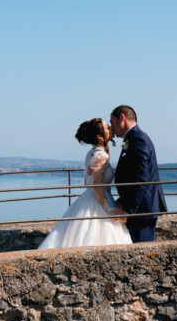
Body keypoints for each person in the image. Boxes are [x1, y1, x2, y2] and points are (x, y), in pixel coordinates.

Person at [37, 118, 131, 250]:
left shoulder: (92, 153)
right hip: (99, 202)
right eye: (107, 127)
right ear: (100, 136)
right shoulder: (101, 156)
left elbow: (87, 182)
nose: (111, 128)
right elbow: (97, 187)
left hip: (90, 199)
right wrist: (111, 209)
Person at [110, 105, 167, 243]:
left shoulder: (139, 139)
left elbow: (142, 178)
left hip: (142, 209)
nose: (111, 127)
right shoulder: (130, 138)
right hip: (137, 208)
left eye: (112, 122)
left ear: (122, 118)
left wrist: (128, 209)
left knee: (141, 251)